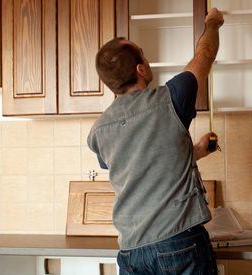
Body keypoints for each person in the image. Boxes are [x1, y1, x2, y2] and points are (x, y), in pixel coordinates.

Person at [87, 8, 225, 275]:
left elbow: (139, 163)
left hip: (132, 253)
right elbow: (204, 55)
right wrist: (213, 24)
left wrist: (193, 152)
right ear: (141, 69)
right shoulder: (171, 99)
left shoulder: (99, 131)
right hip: (179, 243)